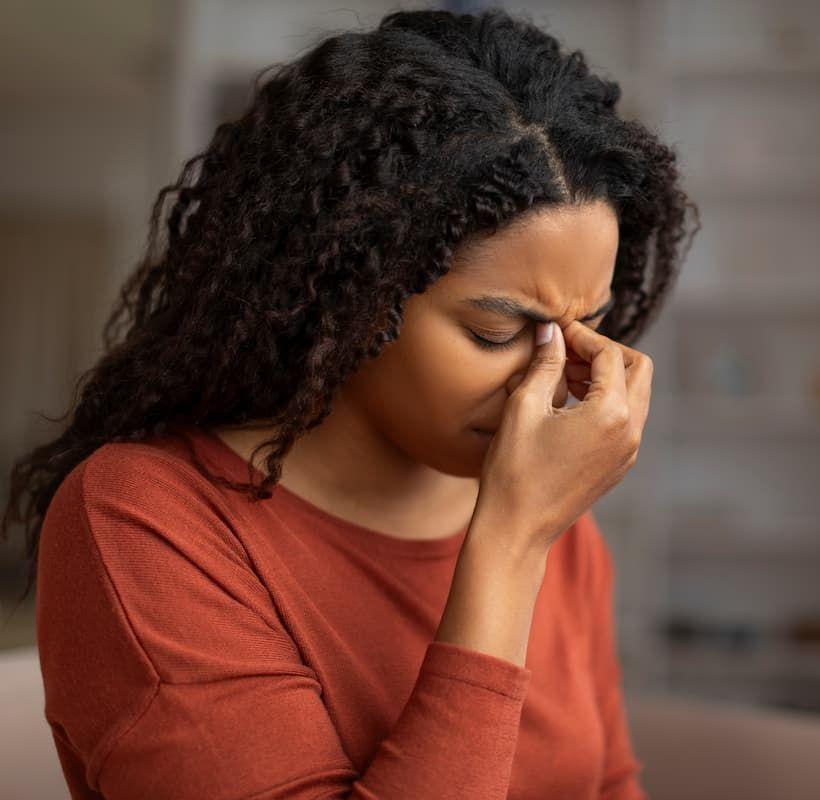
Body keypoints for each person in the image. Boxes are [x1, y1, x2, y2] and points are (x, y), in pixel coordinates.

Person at [1, 7, 698, 799]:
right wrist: (508, 545)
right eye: (497, 329)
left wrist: (527, 527)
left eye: (590, 326)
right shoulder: (145, 522)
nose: (557, 380)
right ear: (346, 298)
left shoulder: (549, 507)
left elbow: (606, 785)